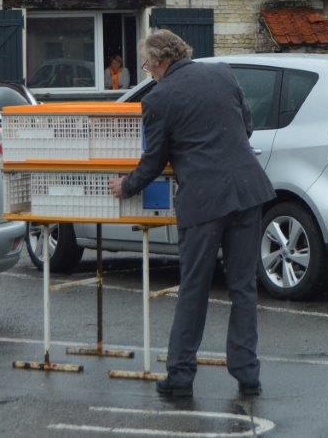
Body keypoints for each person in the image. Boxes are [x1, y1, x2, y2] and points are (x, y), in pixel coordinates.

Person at [108, 29, 275, 399]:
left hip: (203, 200)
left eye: (149, 64)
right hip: (247, 191)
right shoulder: (222, 73)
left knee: (194, 289)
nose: (149, 71)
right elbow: (245, 127)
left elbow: (153, 161)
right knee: (243, 287)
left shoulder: (159, 98)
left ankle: (181, 376)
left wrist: (127, 185)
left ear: (160, 61)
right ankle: (248, 374)